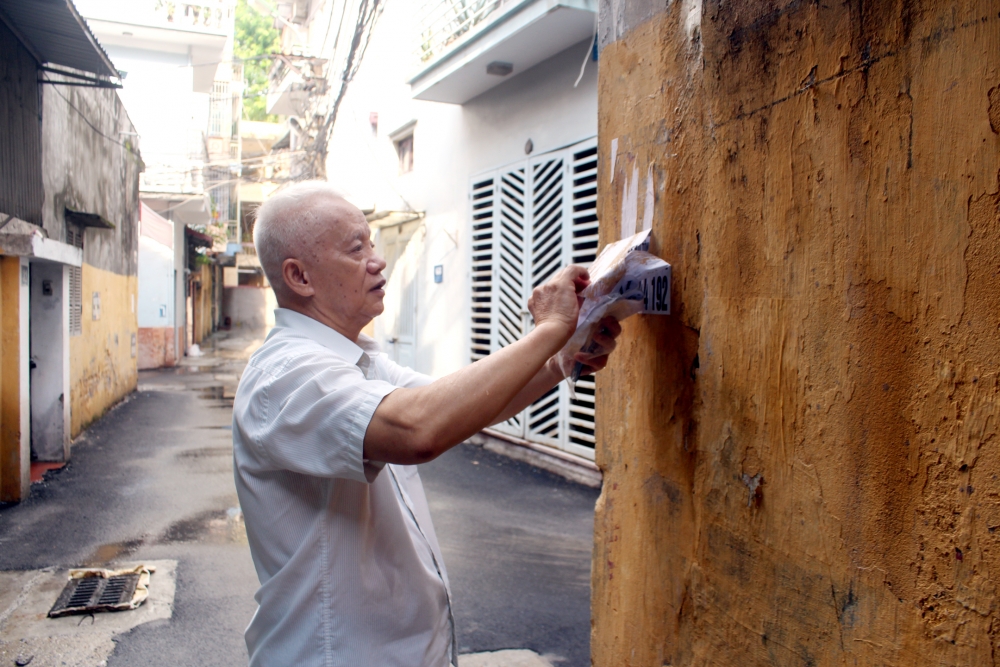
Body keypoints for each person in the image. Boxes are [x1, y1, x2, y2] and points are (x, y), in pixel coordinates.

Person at [232, 181, 621, 666]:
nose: (377, 260)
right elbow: (419, 430)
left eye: (372, 243)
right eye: (357, 248)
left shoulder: (358, 362)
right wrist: (549, 329)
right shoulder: (284, 376)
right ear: (300, 276)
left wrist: (559, 358)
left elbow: (464, 403)